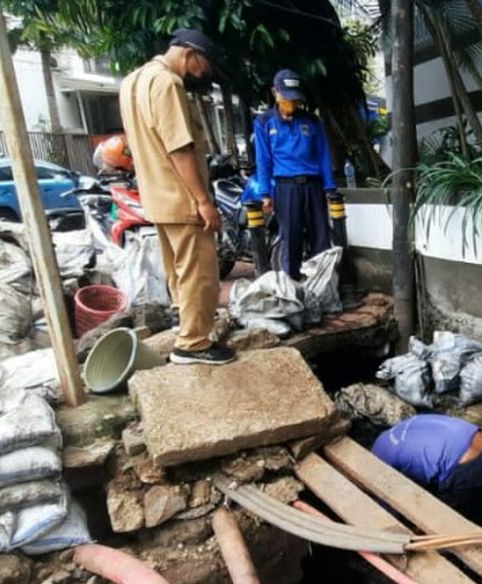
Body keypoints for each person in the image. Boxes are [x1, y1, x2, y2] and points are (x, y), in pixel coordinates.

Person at [119, 28, 234, 365]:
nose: (205, 73)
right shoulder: (167, 83)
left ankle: (184, 325)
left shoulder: (132, 82)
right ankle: (194, 344)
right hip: (181, 196)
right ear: (189, 54)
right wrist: (202, 200)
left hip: (156, 197)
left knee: (179, 272)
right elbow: (179, 147)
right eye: (205, 65)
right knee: (200, 272)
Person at [254, 68, 337, 277]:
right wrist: (265, 194)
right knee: (291, 240)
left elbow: (323, 155)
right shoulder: (264, 122)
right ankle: (292, 290)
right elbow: (263, 160)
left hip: (314, 186)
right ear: (275, 93)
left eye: (295, 100)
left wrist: (329, 187)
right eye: (286, 98)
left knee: (321, 239)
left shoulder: (312, 121)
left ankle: (322, 289)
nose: (291, 103)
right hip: (286, 188)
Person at [372, 415, 482, 512]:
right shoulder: (386, 437)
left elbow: (388, 505)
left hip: (470, 466)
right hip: (478, 439)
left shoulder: (383, 465)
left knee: (445, 513)